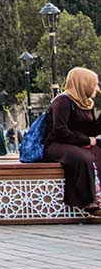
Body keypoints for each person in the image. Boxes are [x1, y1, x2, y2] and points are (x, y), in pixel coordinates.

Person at [42, 67, 101, 214]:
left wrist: (89, 138)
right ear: (83, 83)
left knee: (98, 154)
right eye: (94, 84)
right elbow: (60, 131)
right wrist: (87, 140)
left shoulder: (86, 103)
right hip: (57, 144)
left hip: (77, 143)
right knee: (84, 158)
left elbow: (90, 130)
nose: (97, 88)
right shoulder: (63, 101)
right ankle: (89, 202)